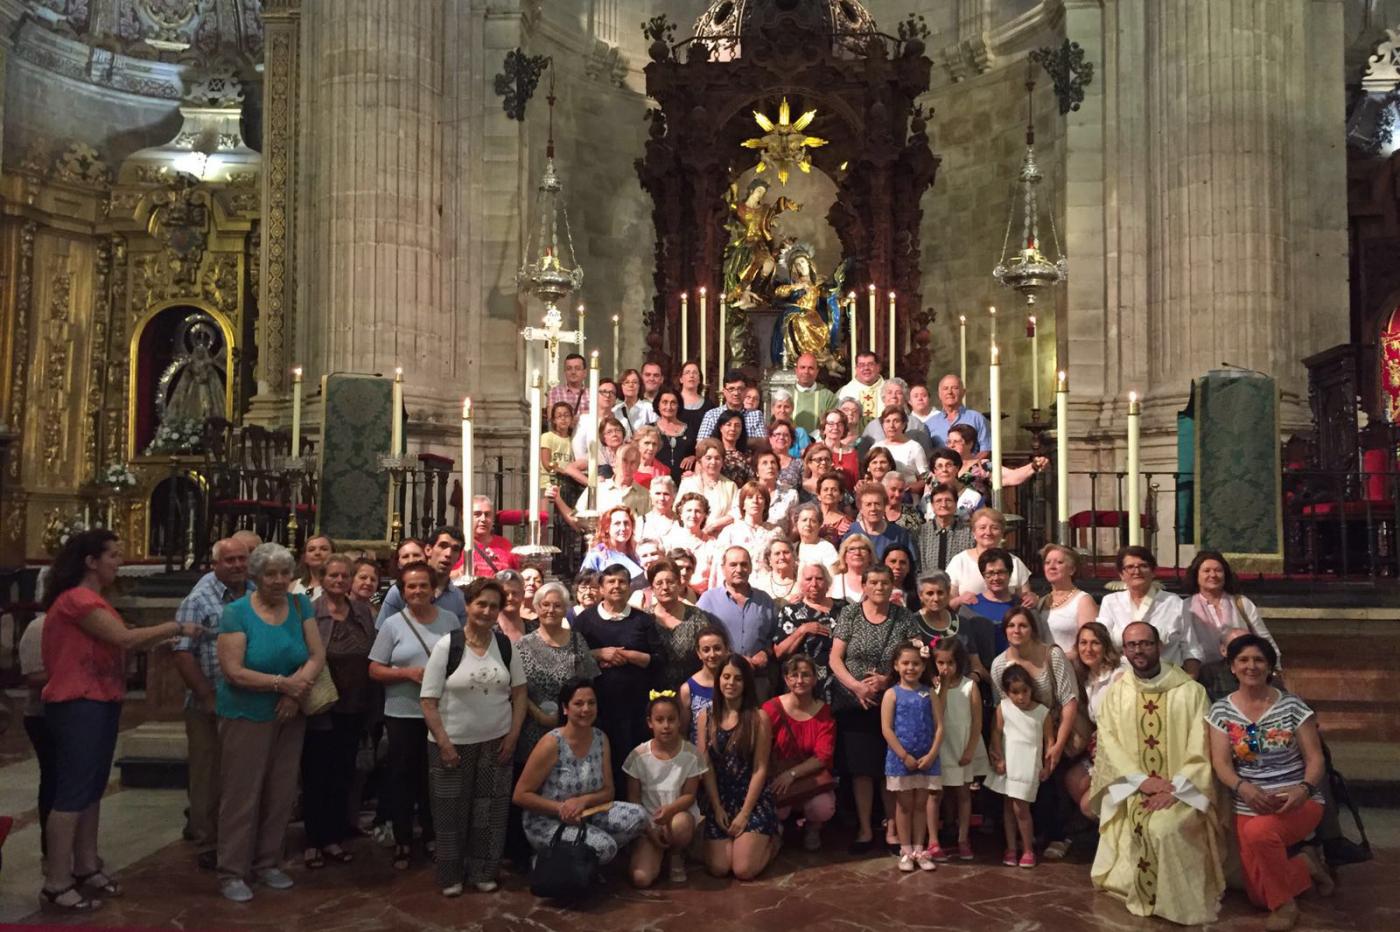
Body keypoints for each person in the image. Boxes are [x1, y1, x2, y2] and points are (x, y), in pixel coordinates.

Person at [38, 531, 203, 911]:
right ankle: (56, 880)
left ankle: (85, 864)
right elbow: (124, 639)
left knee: (92, 790)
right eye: (113, 555)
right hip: (77, 702)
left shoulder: (95, 599)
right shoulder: (78, 599)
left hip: (99, 699)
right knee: (72, 793)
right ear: (90, 561)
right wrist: (176, 627)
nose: (118, 561)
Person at [1088, 621, 1224, 926]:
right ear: (1124, 651)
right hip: (1135, 787)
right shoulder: (1117, 693)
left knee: (1164, 829)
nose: (1139, 650)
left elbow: (1201, 748)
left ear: (1159, 646)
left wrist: (1175, 788)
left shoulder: (1191, 692)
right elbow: (1108, 743)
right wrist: (1142, 781)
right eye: (1132, 645)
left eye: (1145, 643)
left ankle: (1177, 903)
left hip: (1183, 789)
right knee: (1143, 825)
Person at [214, 542, 326, 902]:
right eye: (270, 574)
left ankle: (267, 863)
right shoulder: (236, 613)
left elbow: (316, 654)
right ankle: (232, 870)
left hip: (289, 712)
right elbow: (233, 671)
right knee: (242, 794)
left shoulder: (299, 604)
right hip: (247, 713)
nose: (278, 580)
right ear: (255, 576)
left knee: (280, 792)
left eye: (284, 573)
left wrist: (294, 694)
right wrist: (282, 684)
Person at [1206, 635, 1331, 931]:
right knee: (1258, 895)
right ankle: (1305, 865)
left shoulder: (1292, 706)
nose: (1252, 666)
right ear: (1232, 667)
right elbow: (1221, 763)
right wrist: (1243, 787)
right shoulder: (1221, 711)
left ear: (1270, 667)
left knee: (1260, 834)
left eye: (1259, 660)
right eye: (1244, 660)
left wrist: (1304, 789)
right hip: (1248, 802)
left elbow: (1316, 759)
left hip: (1297, 801)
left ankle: (1285, 906)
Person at [419, 577, 526, 896]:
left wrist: (512, 736)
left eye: (494, 606)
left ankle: (483, 870)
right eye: (481, 604)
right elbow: (428, 700)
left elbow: (520, 694)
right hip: (451, 745)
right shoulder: (447, 645)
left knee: (491, 812)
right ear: (467, 606)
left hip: (496, 743)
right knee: (450, 812)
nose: (487, 611)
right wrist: (444, 743)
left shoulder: (504, 645)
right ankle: (450, 875)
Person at [369, 562, 462, 871]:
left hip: (440, 712)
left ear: (433, 589)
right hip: (403, 712)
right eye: (411, 586)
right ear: (403, 591)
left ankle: (433, 835)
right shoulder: (393, 624)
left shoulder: (449, 620)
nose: (418, 591)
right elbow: (375, 669)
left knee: (435, 777)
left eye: (423, 585)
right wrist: (407, 673)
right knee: (403, 777)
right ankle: (403, 838)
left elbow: (461, 659)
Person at [172, 537, 251, 871]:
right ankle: (207, 840)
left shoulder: (254, 594)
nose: (236, 565)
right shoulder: (198, 600)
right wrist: (206, 694)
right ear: (215, 564)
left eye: (241, 559)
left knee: (238, 774)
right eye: (229, 560)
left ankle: (235, 837)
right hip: (210, 700)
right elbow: (182, 652)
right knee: (208, 773)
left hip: (248, 699)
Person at [829, 564, 920, 852]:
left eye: (885, 583)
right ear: (865, 586)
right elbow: (835, 658)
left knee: (889, 768)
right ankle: (865, 829)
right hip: (855, 703)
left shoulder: (903, 617)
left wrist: (887, 680)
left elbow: (912, 658)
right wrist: (856, 686)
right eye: (874, 583)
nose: (879, 588)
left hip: (891, 700)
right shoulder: (850, 614)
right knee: (862, 770)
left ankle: (893, 829)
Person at [514, 681, 650, 873]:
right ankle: (550, 860)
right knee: (605, 847)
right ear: (565, 708)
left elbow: (608, 791)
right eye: (578, 704)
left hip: (588, 814)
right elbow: (520, 795)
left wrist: (583, 801)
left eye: (591, 703)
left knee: (640, 816)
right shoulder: (551, 743)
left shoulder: (601, 738)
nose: (586, 709)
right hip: (548, 820)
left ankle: (578, 857)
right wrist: (562, 809)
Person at [301, 554, 376, 870]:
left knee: (343, 772)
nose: (339, 581)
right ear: (322, 576)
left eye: (345, 576)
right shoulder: (310, 611)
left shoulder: (361, 611)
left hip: (355, 703)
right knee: (317, 772)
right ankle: (314, 840)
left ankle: (334, 835)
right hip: (323, 702)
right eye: (333, 575)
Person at [572, 563, 663, 787]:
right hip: (597, 708)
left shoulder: (643, 621)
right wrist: (599, 653)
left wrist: (631, 656)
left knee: (633, 766)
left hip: (635, 709)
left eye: (622, 581)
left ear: (630, 587)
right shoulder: (585, 620)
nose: (617, 586)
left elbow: (659, 660)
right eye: (611, 582)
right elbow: (572, 656)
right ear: (601, 588)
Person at [698, 655, 781, 880]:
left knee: (743, 870)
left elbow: (760, 768)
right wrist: (716, 807)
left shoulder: (758, 718)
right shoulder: (706, 716)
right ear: (718, 680)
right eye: (726, 677)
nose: (730, 683)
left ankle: (774, 841)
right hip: (721, 799)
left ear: (746, 684)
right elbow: (705, 766)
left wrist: (745, 814)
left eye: (738, 679)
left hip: (751, 800)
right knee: (719, 868)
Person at [624, 692, 707, 887]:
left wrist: (670, 810)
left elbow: (689, 795)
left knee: (681, 825)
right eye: (660, 720)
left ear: (680, 721)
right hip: (648, 822)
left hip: (677, 816)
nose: (666, 725)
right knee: (641, 879)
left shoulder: (691, 754)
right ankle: (655, 851)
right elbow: (633, 799)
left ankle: (677, 853)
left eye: (671, 719)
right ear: (650, 722)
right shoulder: (637, 756)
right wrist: (649, 829)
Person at [517, 582, 601, 762]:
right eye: (545, 605)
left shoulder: (577, 640)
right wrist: (539, 715)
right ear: (537, 608)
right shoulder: (522, 645)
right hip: (533, 727)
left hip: (571, 725)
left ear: (565, 609)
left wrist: (568, 712)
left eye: (557, 605)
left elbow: (589, 683)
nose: (551, 610)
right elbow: (516, 689)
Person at [761, 653, 837, 850]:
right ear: (786, 679)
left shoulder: (823, 712)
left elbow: (823, 755)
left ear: (814, 678)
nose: (799, 680)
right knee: (774, 805)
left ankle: (813, 828)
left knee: (823, 807)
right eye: (794, 675)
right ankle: (774, 827)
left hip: (809, 776)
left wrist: (792, 774)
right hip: (777, 774)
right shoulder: (771, 709)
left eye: (805, 675)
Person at [881, 642, 945, 873]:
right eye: (906, 663)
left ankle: (920, 848)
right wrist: (904, 755)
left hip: (926, 759)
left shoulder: (929, 693)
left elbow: (939, 727)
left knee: (921, 804)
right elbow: (887, 729)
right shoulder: (891, 694)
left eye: (916, 663)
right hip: (902, 760)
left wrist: (932, 754)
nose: (911, 667)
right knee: (904, 805)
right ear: (896, 666)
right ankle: (905, 849)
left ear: (923, 665)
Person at [1097, 545, 1204, 675]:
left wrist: (1189, 683)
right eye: (1130, 567)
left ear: (1153, 572)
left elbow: (1191, 648)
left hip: (1167, 679)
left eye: (1143, 566)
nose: (1137, 571)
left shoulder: (1173, 603)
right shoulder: (1111, 602)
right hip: (1123, 680)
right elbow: (1101, 644)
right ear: (1121, 574)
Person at [986, 665, 1053, 869]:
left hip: (1028, 765)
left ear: (1031, 689)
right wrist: (998, 758)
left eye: (1025, 691)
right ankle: (1011, 848)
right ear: (1007, 692)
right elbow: (996, 734)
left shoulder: (1042, 712)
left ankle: (1027, 849)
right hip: (1009, 763)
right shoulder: (1004, 708)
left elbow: (1050, 741)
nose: (1021, 697)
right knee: (1009, 806)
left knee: (1020, 807)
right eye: (1015, 692)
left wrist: (1048, 765)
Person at [932, 638, 990, 861]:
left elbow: (977, 722)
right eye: (941, 663)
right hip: (943, 745)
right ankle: (938, 837)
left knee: (963, 793)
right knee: (940, 792)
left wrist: (970, 749)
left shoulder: (969, 686)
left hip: (963, 744)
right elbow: (938, 711)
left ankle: (963, 838)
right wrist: (943, 687)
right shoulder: (935, 687)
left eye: (950, 663)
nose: (945, 668)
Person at [1062, 622, 1123, 830]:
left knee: (1089, 805)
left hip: (1121, 750)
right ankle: (1107, 833)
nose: (1088, 649)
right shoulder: (1087, 677)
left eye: (1095, 643)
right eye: (1083, 643)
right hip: (1099, 747)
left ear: (1105, 646)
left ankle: (1119, 837)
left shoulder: (1118, 674)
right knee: (1073, 780)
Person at [697, 547, 778, 689]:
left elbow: (774, 637)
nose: (739, 569)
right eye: (733, 565)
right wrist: (733, 659)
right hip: (720, 680)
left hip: (757, 679)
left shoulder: (765, 600)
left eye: (744, 564)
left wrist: (766, 652)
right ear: (723, 568)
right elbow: (699, 639)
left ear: (751, 568)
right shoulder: (708, 600)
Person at [1185, 549, 1282, 666]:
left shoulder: (1241, 603)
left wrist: (1275, 667)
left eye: (1218, 570)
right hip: (1204, 673)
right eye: (1206, 571)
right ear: (1196, 575)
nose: (1213, 575)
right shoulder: (1186, 607)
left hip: (1242, 672)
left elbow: (1264, 639)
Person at [913, 572, 997, 690]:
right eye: (930, 593)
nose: (936, 598)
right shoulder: (912, 624)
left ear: (948, 593)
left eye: (940, 593)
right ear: (920, 595)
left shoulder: (962, 623)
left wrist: (967, 682)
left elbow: (976, 665)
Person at [772, 562, 842, 699]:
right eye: (809, 579)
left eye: (819, 579)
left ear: (827, 583)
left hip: (839, 683)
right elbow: (779, 652)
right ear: (801, 584)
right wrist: (802, 630)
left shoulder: (843, 608)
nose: (814, 584)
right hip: (803, 684)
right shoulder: (791, 611)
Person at [378, 527, 468, 628]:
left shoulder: (459, 599)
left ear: (459, 557)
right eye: (443, 546)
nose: (448, 554)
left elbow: (461, 638)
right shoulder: (400, 591)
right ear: (428, 550)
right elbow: (382, 633)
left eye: (455, 549)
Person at [18, 609, 53, 860]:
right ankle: (50, 849)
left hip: (72, 715)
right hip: (42, 715)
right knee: (53, 779)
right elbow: (33, 678)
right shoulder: (38, 627)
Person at [945, 508, 1031, 607]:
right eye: (982, 527)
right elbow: (947, 603)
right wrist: (959, 600)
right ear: (973, 532)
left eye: (994, 528)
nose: (988, 532)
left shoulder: (1015, 562)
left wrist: (1031, 598)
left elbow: (1025, 601)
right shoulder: (959, 562)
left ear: (1002, 532)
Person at [647, 560, 711, 690]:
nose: (665, 587)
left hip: (691, 691)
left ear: (679, 583)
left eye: (670, 582)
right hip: (653, 695)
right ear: (652, 588)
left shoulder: (696, 617)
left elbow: (709, 654)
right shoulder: (644, 618)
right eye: (659, 583)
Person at [712, 481, 779, 587]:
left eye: (760, 497)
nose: (755, 501)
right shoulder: (730, 532)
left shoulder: (776, 532)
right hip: (738, 589)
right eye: (750, 497)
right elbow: (719, 567)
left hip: (769, 589)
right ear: (742, 504)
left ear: (766, 504)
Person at [1039, 543, 1097, 654]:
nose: (1052, 566)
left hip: (1070, 667)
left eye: (1059, 562)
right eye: (1047, 563)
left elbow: (1088, 645)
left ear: (1072, 570)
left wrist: (1059, 662)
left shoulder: (1083, 600)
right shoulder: (1041, 602)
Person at [679, 624, 731, 744]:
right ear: (698, 653)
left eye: (717, 648)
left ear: (726, 649)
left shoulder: (735, 684)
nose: (712, 655)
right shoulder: (688, 689)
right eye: (706, 650)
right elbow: (682, 732)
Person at [845, 481, 917, 565]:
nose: (873, 508)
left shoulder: (899, 534)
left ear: (884, 506)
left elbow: (910, 565)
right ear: (860, 508)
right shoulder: (851, 531)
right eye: (868, 504)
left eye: (877, 504)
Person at [860, 379, 936, 457]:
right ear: (883, 397)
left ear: (905, 398)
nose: (894, 396)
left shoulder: (917, 425)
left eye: (899, 393)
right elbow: (863, 456)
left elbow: (927, 456)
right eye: (889, 393)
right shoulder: (872, 427)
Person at [677, 439, 739, 534]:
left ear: (723, 461)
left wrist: (713, 526)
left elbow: (735, 514)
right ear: (700, 460)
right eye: (708, 458)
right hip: (691, 535)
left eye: (717, 458)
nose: (713, 462)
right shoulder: (688, 483)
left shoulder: (730, 486)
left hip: (721, 537)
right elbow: (678, 510)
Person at [696, 369, 769, 448]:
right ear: (724, 392)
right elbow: (701, 444)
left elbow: (763, 442)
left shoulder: (756, 415)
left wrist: (732, 439)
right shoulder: (711, 415)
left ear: (745, 391)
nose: (736, 393)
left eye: (740, 389)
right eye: (731, 389)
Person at [664, 493, 720, 593]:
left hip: (702, 598)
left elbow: (715, 577)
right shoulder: (669, 540)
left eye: (698, 511)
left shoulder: (712, 544)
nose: (693, 515)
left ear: (704, 515)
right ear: (681, 514)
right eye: (689, 510)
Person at [580, 505, 646, 588]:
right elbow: (585, 585)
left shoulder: (639, 553)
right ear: (607, 528)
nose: (623, 528)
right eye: (617, 524)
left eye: (626, 523)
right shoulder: (597, 555)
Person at [925, 373, 991, 454]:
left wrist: (969, 463)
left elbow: (986, 449)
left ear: (963, 392)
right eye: (945, 388)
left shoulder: (976, 418)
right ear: (939, 394)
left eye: (955, 388)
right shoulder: (929, 424)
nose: (950, 392)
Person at [918, 482, 974, 572]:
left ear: (956, 504)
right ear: (932, 506)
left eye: (948, 500)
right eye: (938, 501)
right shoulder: (921, 532)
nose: (943, 505)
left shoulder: (969, 532)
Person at [652, 388, 697, 482]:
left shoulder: (690, 429)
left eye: (673, 403)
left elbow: (700, 452)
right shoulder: (650, 430)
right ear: (658, 405)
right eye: (664, 402)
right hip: (657, 482)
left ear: (678, 406)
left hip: (685, 482)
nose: (669, 407)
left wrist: (693, 457)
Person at [595, 443, 651, 516]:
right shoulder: (598, 489)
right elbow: (577, 516)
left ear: (638, 466)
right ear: (615, 461)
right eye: (624, 460)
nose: (628, 466)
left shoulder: (645, 495)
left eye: (633, 462)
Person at [928, 447, 984, 517]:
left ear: (957, 468)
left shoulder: (974, 497)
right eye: (939, 466)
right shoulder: (928, 498)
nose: (944, 470)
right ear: (934, 471)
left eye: (948, 465)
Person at [753, 450, 798, 527]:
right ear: (756, 471)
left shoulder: (791, 494)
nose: (770, 466)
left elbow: (794, 527)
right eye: (764, 463)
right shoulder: (745, 494)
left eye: (773, 462)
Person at [819, 408, 861, 489]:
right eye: (831, 424)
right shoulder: (813, 450)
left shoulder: (852, 454)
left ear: (844, 428)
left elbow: (855, 482)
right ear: (823, 428)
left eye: (839, 424)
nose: (835, 427)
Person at [837, 350, 886, 421]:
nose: (866, 368)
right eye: (861, 365)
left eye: (870, 364)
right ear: (856, 369)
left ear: (878, 367)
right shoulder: (844, 391)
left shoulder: (890, 390)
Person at [790, 502, 839, 571]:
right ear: (797, 523)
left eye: (813, 521)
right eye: (804, 520)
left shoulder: (827, 548)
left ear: (819, 525)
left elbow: (834, 577)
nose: (808, 524)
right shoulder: (792, 549)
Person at [751, 535, 798, 606]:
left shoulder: (802, 584)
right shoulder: (760, 585)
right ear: (769, 559)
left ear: (793, 556)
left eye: (786, 552)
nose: (782, 557)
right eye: (777, 553)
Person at [714, 409, 756, 486]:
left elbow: (751, 483)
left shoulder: (747, 455)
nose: (733, 429)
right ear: (721, 428)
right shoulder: (712, 452)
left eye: (737, 426)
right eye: (728, 425)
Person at [830, 533, 873, 603]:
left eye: (862, 548)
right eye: (852, 549)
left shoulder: (879, 581)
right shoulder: (835, 581)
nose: (857, 553)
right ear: (844, 556)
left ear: (870, 556)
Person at [815, 470, 853, 545]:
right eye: (825, 489)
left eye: (834, 490)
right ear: (818, 495)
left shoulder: (847, 523)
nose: (829, 493)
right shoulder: (810, 518)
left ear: (841, 496)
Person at [291, 534, 333, 601]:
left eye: (324, 549)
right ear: (305, 557)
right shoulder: (293, 586)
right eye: (311, 550)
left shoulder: (339, 585)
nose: (317, 553)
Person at [639, 475, 680, 543]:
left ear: (673, 497)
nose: (662, 498)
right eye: (658, 493)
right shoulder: (642, 522)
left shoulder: (681, 521)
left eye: (666, 494)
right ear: (651, 496)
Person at [880, 471, 922, 535]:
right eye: (893, 489)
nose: (897, 494)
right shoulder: (873, 510)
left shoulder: (912, 513)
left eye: (901, 491)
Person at [677, 360, 712, 432]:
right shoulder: (673, 402)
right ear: (681, 379)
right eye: (687, 373)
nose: (691, 376)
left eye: (695, 373)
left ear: (699, 380)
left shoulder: (708, 405)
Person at [882, 544, 918, 608]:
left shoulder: (918, 594)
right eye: (893, 561)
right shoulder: (873, 590)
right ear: (883, 564)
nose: (898, 566)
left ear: (909, 567)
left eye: (903, 562)